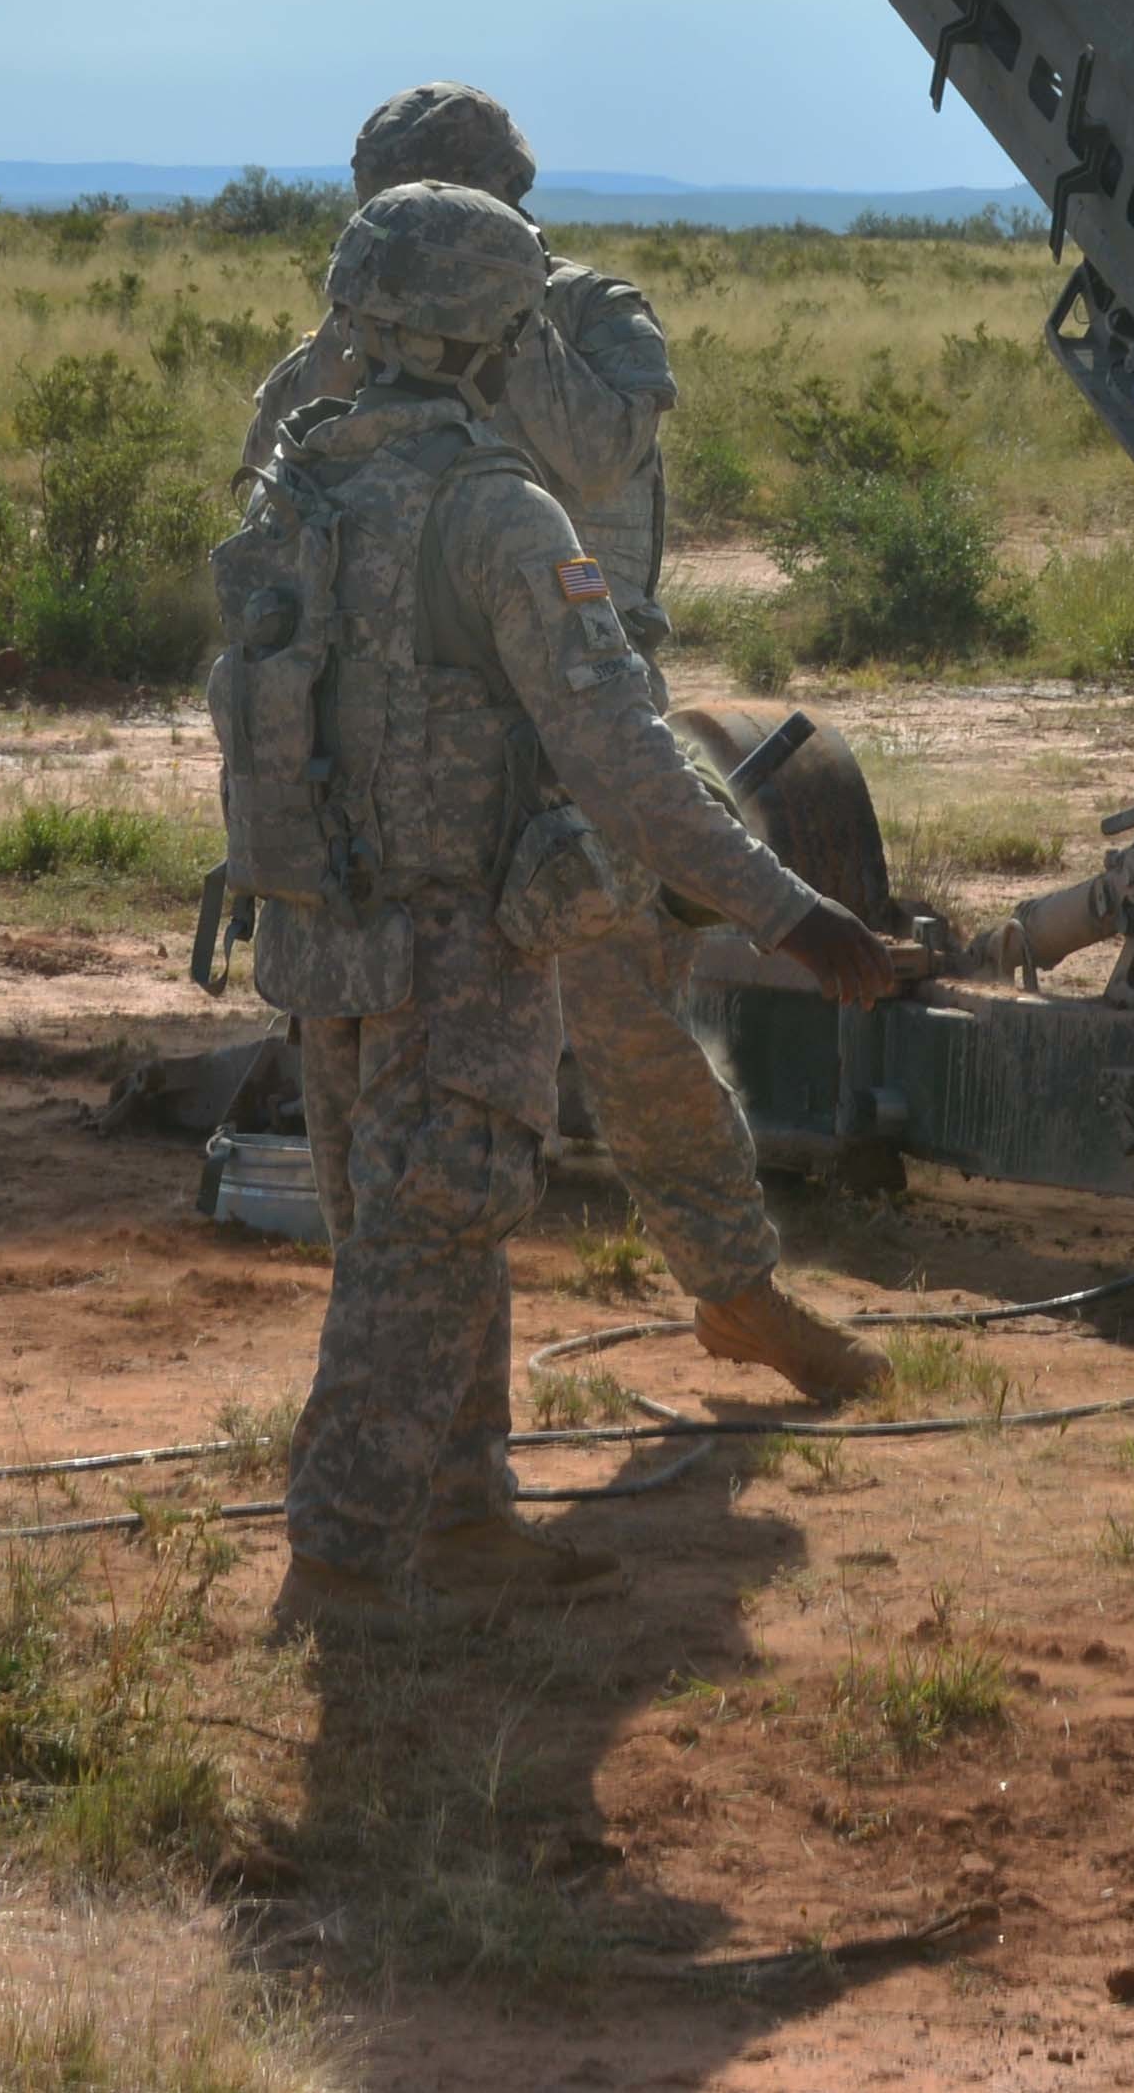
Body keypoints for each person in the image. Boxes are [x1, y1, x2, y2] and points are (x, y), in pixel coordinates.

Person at [228, 184, 915, 1626]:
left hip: (324, 931)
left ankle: (466, 1513)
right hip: (457, 939)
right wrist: (794, 914)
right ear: (496, 337)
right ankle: (343, 1562)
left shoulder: (297, 486)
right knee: (426, 1247)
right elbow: (626, 760)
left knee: (421, 1225)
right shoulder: (497, 513)